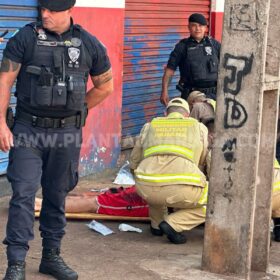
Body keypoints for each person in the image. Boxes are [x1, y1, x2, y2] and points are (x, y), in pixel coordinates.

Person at [0, 0, 113, 279]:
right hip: (29, 129)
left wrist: (78, 110)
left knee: (56, 193)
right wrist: (1, 123)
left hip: (66, 133)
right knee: (23, 193)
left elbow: (105, 85)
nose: (44, 14)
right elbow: (4, 81)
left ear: (68, 10)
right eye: (42, 9)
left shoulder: (88, 44)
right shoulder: (25, 37)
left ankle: (51, 256)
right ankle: (16, 264)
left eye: (51, 10)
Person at [130, 97, 208, 244]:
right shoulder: (198, 127)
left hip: (145, 187)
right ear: (187, 115)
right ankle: (173, 223)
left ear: (165, 114)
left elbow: (134, 161)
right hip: (181, 187)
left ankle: (156, 226)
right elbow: (202, 161)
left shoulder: (149, 126)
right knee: (216, 200)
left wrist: (137, 178)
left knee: (154, 182)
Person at [160, 13, 221, 105]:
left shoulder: (214, 45)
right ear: (189, 27)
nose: (197, 29)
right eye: (194, 26)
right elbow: (169, 70)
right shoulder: (182, 47)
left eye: (200, 26)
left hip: (215, 95)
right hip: (191, 96)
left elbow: (227, 65)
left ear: (205, 28)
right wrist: (164, 91)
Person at [34, 186, 149, 217]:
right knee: (97, 202)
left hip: (148, 189)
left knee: (98, 201)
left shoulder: (150, 128)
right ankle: (41, 203)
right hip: (153, 194)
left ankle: (42, 203)